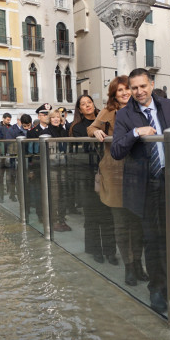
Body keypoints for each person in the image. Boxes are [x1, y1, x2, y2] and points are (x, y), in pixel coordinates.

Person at [111, 68, 170, 314]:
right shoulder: (124, 115)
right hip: (147, 186)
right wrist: (135, 133)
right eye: (134, 88)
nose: (139, 92)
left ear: (151, 84)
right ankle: (157, 289)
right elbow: (117, 150)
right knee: (153, 240)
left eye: (143, 86)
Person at [90, 77, 144, 286]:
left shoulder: (141, 108)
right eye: (119, 90)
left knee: (137, 222)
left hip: (138, 170)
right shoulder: (108, 111)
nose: (124, 93)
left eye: (127, 89)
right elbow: (91, 128)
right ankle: (129, 267)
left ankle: (138, 264)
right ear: (114, 94)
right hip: (114, 171)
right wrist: (96, 130)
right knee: (121, 224)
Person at [70, 94, 117, 264]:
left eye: (89, 102)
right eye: (83, 104)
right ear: (80, 109)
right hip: (88, 175)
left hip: (108, 171)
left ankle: (110, 251)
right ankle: (95, 249)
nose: (87, 105)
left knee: (108, 214)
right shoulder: (77, 127)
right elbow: (79, 153)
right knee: (92, 214)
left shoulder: (104, 116)